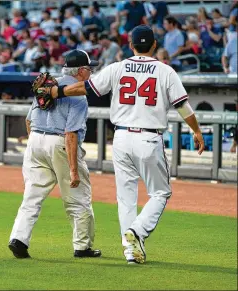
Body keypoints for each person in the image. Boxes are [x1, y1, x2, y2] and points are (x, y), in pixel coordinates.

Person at [41, 25, 205, 264]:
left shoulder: (117, 67)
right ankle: (137, 233)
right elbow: (182, 106)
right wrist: (197, 130)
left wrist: (57, 91)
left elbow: (87, 88)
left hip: (121, 137)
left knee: (126, 197)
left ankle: (130, 251)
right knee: (160, 192)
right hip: (149, 137)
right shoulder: (165, 71)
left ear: (130, 45)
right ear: (154, 46)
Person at [8, 49, 101, 259]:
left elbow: (28, 121)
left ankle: (18, 239)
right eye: (89, 68)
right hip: (60, 143)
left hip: (35, 141)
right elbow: (70, 134)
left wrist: (36, 143)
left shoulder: (46, 85)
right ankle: (82, 246)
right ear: (81, 71)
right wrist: (74, 170)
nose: (91, 72)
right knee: (78, 198)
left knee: (31, 196)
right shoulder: (78, 95)